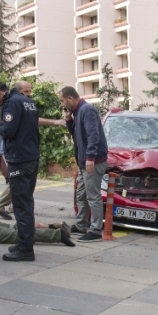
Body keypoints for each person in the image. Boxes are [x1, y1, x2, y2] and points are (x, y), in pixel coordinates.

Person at [0, 80, 39, 261]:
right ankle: (24, 243)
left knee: (21, 205)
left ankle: (25, 250)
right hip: (31, 157)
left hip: (20, 159)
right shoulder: (28, 101)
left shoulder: (12, 103)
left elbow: (9, 130)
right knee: (27, 203)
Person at [59, 85, 109, 242]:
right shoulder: (78, 112)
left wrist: (90, 158)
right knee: (80, 195)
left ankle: (95, 230)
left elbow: (93, 135)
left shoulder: (87, 110)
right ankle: (81, 225)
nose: (62, 105)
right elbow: (77, 135)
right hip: (83, 163)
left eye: (62, 101)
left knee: (93, 196)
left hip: (92, 162)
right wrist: (68, 121)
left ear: (70, 98)